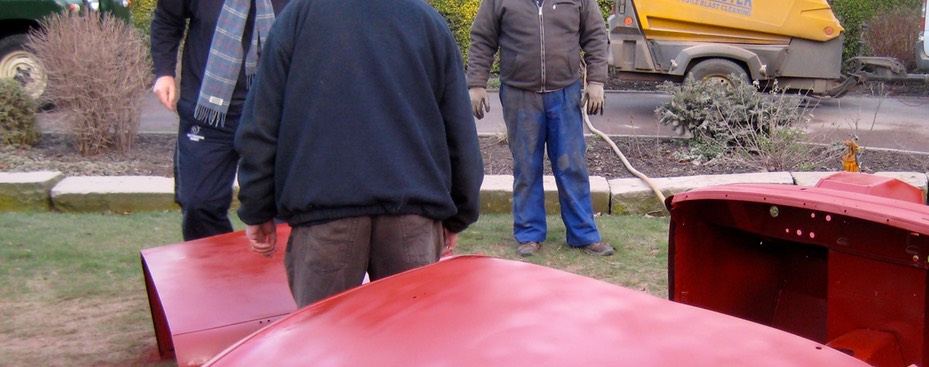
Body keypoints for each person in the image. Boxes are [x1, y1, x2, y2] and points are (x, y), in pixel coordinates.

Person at [235, 0, 483, 308]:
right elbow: (459, 130)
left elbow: (262, 121)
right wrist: (458, 213)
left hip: (326, 213)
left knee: (324, 342)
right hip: (410, 214)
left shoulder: (298, 17)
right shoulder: (427, 22)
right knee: (410, 342)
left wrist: (257, 207)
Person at [467, 0, 614, 257]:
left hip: (565, 94)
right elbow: (482, 37)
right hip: (519, 95)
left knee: (572, 166)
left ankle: (583, 235)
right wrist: (476, 83)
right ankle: (529, 234)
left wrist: (597, 81)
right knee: (526, 166)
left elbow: (595, 35)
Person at [151, 0, 289, 241]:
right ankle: (215, 273)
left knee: (284, 210)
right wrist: (164, 72)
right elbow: (167, 18)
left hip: (274, 115)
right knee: (199, 205)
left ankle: (275, 275)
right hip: (208, 114)